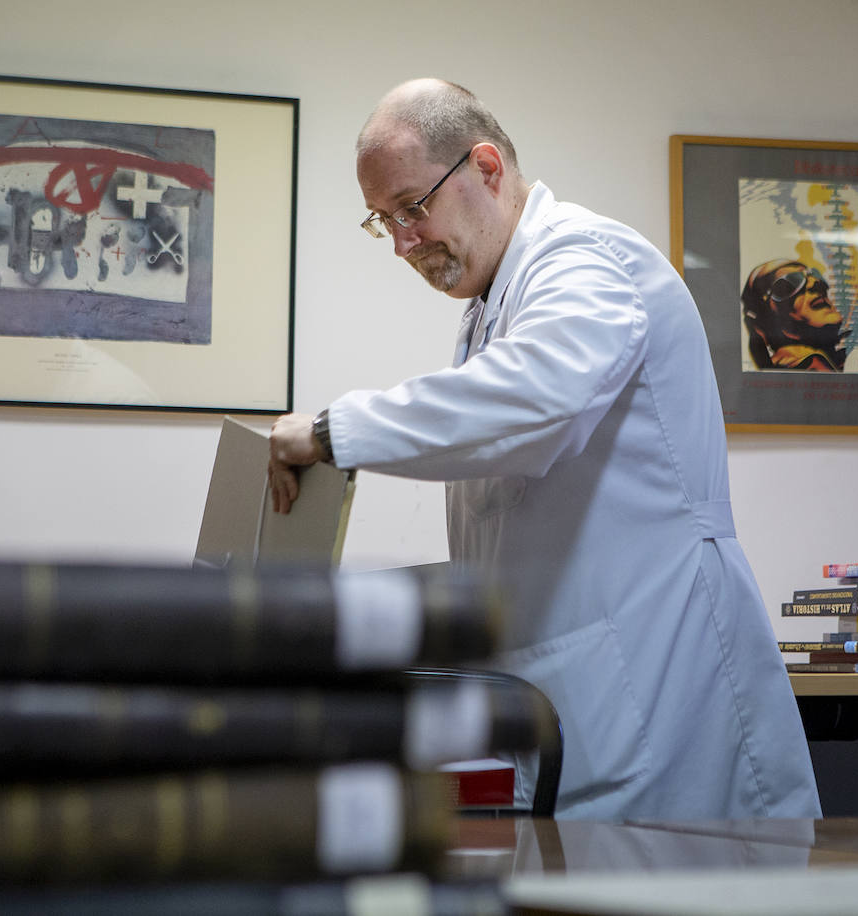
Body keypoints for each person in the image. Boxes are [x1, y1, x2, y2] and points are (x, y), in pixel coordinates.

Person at [268, 78, 821, 821]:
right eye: (382, 222)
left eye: (412, 208)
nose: (402, 243)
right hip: (573, 699)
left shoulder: (589, 262)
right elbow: (509, 520)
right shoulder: (492, 305)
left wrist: (335, 432)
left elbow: (531, 404)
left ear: (486, 169)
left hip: (658, 697)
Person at [741, 259, 847, 371]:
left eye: (814, 274)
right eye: (790, 282)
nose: (815, 282)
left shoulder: (840, 360)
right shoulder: (808, 366)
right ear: (767, 315)